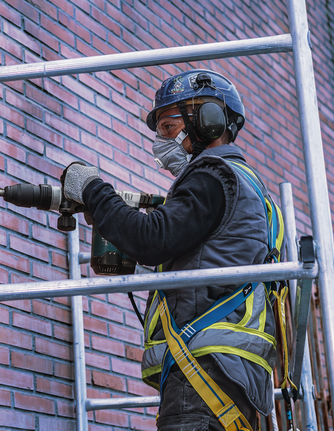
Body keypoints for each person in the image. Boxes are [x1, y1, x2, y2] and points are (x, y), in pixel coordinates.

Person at [61, 69, 278, 431]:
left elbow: (152, 238)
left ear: (207, 121)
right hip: (228, 375)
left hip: (204, 373)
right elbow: (206, 258)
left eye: (167, 127)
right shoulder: (249, 186)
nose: (161, 142)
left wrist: (91, 188)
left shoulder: (213, 175)